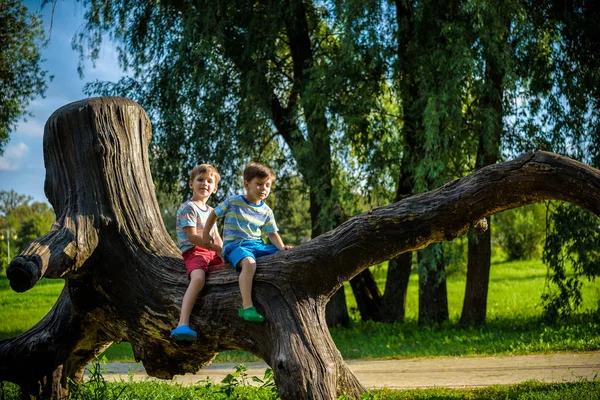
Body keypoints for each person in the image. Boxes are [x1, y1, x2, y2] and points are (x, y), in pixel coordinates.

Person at [202, 162, 291, 322]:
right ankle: (247, 307)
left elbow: (272, 234)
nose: (264, 188)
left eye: (267, 185)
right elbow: (214, 214)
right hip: (235, 246)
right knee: (250, 264)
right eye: (259, 184)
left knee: (285, 257)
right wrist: (206, 233)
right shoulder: (234, 201)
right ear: (246, 184)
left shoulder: (266, 210)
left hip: (256, 245)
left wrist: (282, 248)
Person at [171, 164, 224, 341]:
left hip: (210, 250)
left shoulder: (211, 212)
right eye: (200, 180)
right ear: (191, 184)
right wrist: (212, 247)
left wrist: (223, 253)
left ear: (215, 188)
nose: (205, 184)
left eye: (209, 181)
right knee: (199, 278)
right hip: (194, 251)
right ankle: (182, 323)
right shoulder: (189, 208)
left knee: (231, 269)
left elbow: (216, 237)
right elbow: (192, 237)